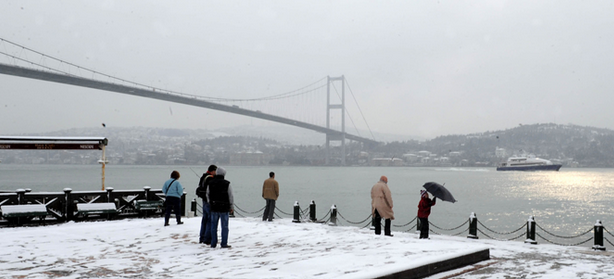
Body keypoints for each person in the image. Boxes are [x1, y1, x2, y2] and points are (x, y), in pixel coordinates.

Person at [207, 167, 234, 248]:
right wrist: (231, 206)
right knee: (224, 226)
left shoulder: (211, 183)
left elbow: (207, 194)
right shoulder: (227, 184)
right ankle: (224, 243)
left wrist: (210, 203)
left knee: (213, 226)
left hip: (214, 207)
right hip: (224, 207)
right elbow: (230, 196)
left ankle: (213, 243)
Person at [196, 164, 217, 244]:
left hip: (204, 200)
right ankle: (207, 238)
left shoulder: (203, 177)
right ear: (212, 171)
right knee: (209, 220)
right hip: (208, 200)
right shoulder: (210, 178)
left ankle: (202, 237)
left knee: (204, 219)